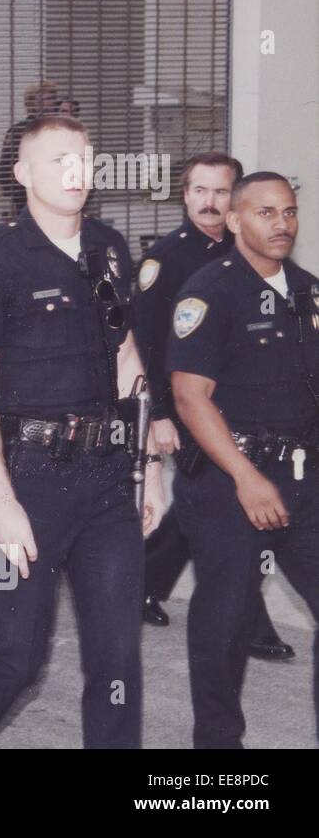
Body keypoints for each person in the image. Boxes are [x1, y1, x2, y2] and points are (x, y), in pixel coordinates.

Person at [0, 115, 165, 749]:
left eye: (85, 158)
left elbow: (127, 356)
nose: (76, 171)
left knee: (117, 658)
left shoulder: (108, 246)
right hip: (31, 478)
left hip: (110, 479)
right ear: (23, 173)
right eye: (59, 159)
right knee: (18, 655)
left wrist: (153, 470)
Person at [168, 171, 319, 749]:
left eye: (288, 212)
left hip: (302, 478)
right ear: (234, 221)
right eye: (265, 212)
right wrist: (247, 478)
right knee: (224, 625)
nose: (281, 224)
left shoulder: (306, 288)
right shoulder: (210, 291)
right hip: (231, 484)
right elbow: (189, 396)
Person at [135, 152, 292, 660]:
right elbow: (148, 343)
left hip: (244, 408)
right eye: (199, 191)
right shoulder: (167, 261)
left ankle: (143, 578)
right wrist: (158, 414)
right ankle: (251, 625)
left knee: (204, 503)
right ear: (184, 197)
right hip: (191, 408)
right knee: (231, 504)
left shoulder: (253, 255)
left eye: (221, 191)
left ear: (235, 203)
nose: (209, 201)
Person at [0, 81, 60, 214]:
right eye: (48, 99)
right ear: (33, 103)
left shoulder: (61, 130)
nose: (53, 103)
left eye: (54, 98)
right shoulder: (19, 132)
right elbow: (5, 171)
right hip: (28, 200)